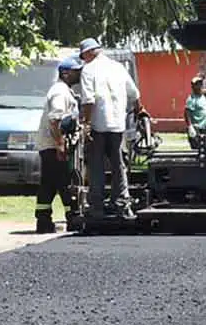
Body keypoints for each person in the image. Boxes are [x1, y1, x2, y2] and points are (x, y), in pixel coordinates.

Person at [78, 37, 141, 220]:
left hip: (98, 125)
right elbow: (134, 94)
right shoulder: (118, 67)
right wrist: (141, 110)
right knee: (118, 165)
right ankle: (122, 204)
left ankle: (97, 207)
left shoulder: (88, 70)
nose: (84, 60)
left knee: (96, 166)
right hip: (117, 126)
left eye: (84, 56)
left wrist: (87, 125)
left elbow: (88, 100)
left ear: (89, 52)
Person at [34, 58, 83, 234]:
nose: (80, 74)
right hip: (53, 146)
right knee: (58, 182)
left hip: (56, 145)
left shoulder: (65, 91)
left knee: (57, 182)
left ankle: (49, 219)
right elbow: (55, 119)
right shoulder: (59, 92)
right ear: (65, 73)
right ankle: (62, 218)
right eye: (77, 71)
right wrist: (60, 145)